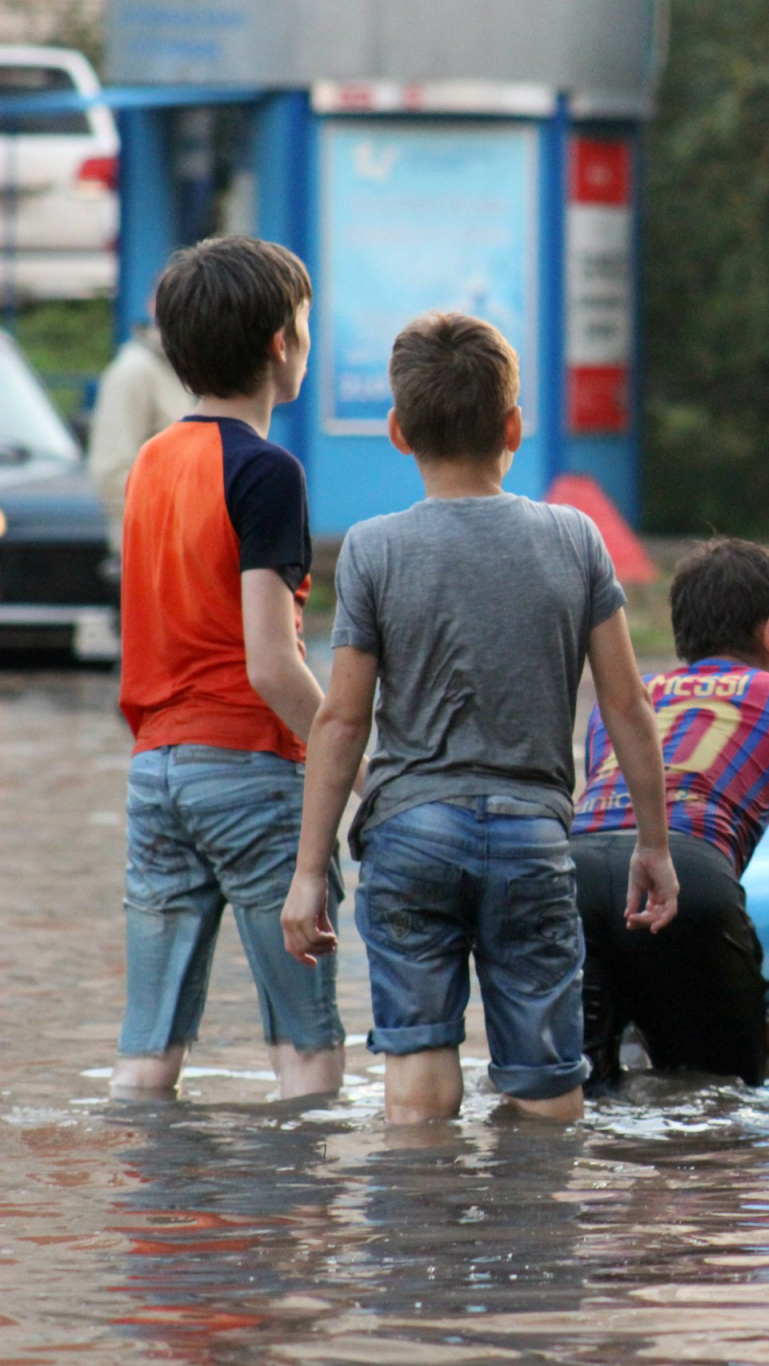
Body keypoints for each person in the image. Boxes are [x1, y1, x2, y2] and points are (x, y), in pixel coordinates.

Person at [280, 311, 678, 1125]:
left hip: (411, 838)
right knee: (546, 1093)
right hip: (534, 837)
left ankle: (422, 1242)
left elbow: (342, 723)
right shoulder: (575, 538)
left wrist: (310, 869)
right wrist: (653, 842)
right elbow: (627, 706)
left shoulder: (373, 549)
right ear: (515, 426)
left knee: (418, 1091)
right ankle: (534, 1237)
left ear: (397, 432)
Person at [110, 235, 344, 1102]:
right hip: (248, 769)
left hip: (154, 774)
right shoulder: (268, 472)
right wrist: (349, 756)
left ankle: (157, 1222)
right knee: (307, 1053)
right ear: (282, 343)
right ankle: (296, 1231)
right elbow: (272, 664)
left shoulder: (150, 464)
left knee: (147, 1055)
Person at [571, 537, 769, 1089]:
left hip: (569, 874)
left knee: (573, 1095)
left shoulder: (626, 703)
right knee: (718, 1101)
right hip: (689, 877)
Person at [88, 310, 194, 552]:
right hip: (153, 555)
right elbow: (112, 473)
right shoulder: (133, 373)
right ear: (156, 306)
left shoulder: (185, 370)